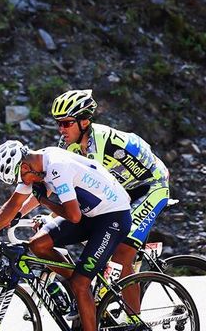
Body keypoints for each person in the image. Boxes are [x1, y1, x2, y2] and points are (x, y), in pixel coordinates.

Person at [21, 89, 170, 313]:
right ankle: (90, 291)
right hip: (121, 189)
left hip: (150, 186)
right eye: (58, 123)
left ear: (84, 121)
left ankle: (134, 320)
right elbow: (55, 185)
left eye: (66, 123)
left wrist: (52, 213)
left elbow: (89, 192)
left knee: (122, 252)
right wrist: (19, 214)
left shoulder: (97, 143)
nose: (61, 129)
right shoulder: (68, 145)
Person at [0, 141, 131, 331]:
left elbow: (73, 215)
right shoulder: (39, 164)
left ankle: (80, 286)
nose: (23, 182)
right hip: (91, 215)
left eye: (20, 177)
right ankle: (79, 285)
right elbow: (13, 205)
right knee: (38, 245)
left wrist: (44, 201)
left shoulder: (57, 167)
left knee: (80, 284)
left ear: (24, 166)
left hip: (113, 217)